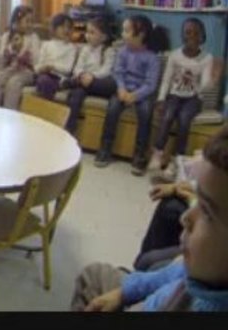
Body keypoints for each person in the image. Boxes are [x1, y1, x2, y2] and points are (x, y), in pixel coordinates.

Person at [71, 126, 228, 312]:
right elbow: (176, 272)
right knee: (94, 274)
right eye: (197, 201)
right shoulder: (200, 271)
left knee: (92, 281)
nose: (185, 218)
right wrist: (124, 292)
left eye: (207, 212)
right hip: (158, 297)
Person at [94, 15, 166, 173]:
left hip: (142, 94)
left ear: (140, 35)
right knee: (112, 108)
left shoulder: (152, 58)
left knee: (146, 112)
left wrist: (135, 96)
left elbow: (151, 84)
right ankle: (105, 148)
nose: (122, 34)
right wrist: (121, 89)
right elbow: (118, 73)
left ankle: (140, 155)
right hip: (123, 90)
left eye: (126, 31)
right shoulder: (122, 52)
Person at [147, 18, 214, 179]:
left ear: (202, 36)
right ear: (182, 35)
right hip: (174, 96)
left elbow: (204, 85)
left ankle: (177, 160)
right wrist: (161, 99)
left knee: (184, 120)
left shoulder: (207, 58)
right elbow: (166, 79)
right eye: (187, 32)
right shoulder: (175, 55)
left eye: (196, 33)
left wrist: (211, 81)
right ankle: (158, 153)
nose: (191, 36)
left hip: (193, 98)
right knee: (168, 116)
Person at [58, 17, 118, 135]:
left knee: (90, 84)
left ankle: (71, 83)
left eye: (92, 32)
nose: (87, 35)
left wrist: (91, 76)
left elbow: (106, 71)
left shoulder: (109, 51)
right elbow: (78, 68)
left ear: (104, 37)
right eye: (87, 32)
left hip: (98, 84)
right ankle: (69, 129)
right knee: (76, 94)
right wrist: (82, 75)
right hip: (84, 83)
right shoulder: (85, 49)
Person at [0, 5, 41, 110]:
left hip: (27, 71)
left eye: (32, 21)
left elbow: (36, 61)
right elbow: (1, 59)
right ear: (16, 22)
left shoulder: (33, 38)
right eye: (27, 21)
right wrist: (12, 48)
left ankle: (10, 114)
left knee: (13, 83)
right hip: (10, 69)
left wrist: (22, 51)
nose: (30, 24)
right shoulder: (7, 36)